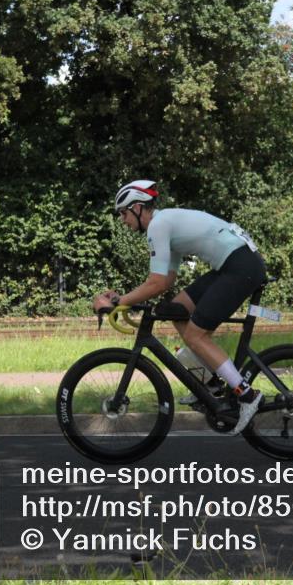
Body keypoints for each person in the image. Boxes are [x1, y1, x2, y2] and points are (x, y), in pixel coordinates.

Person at [92, 180, 267, 435]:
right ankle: (211, 384)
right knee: (177, 308)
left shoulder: (158, 226)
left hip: (240, 267)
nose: (122, 219)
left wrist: (119, 302)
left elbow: (157, 282)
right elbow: (166, 280)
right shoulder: (165, 224)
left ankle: (247, 395)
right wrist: (124, 298)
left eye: (123, 213)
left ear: (138, 208)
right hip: (233, 265)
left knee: (196, 335)